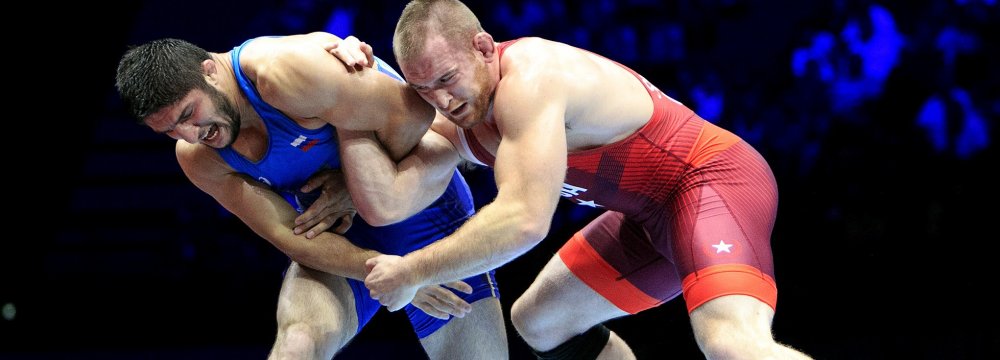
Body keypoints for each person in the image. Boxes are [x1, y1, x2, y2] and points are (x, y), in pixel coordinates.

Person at [337, 1, 813, 359]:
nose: (441, 101)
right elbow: (389, 200)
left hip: (711, 181)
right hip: (647, 217)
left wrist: (414, 270)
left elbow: (524, 221)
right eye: (423, 90)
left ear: (483, 48)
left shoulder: (532, 79)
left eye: (446, 78)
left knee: (729, 341)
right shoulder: (462, 117)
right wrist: (346, 99)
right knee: (541, 322)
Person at [114, 32, 507, 360]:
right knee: (297, 344)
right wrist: (394, 276)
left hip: (420, 210)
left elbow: (415, 116)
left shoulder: (283, 73)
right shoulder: (200, 159)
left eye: (187, 114)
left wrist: (363, 188)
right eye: (168, 131)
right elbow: (290, 235)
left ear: (209, 70)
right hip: (340, 241)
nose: (190, 135)